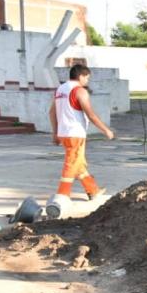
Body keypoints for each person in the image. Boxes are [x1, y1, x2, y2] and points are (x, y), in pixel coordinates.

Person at [48, 64, 115, 201]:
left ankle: (93, 190)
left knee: (78, 163)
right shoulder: (79, 91)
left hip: (64, 133)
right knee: (71, 164)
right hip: (75, 133)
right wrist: (106, 130)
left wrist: (55, 133)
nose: (87, 81)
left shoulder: (60, 90)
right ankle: (62, 195)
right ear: (80, 76)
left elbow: (51, 112)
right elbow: (91, 115)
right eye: (87, 78)